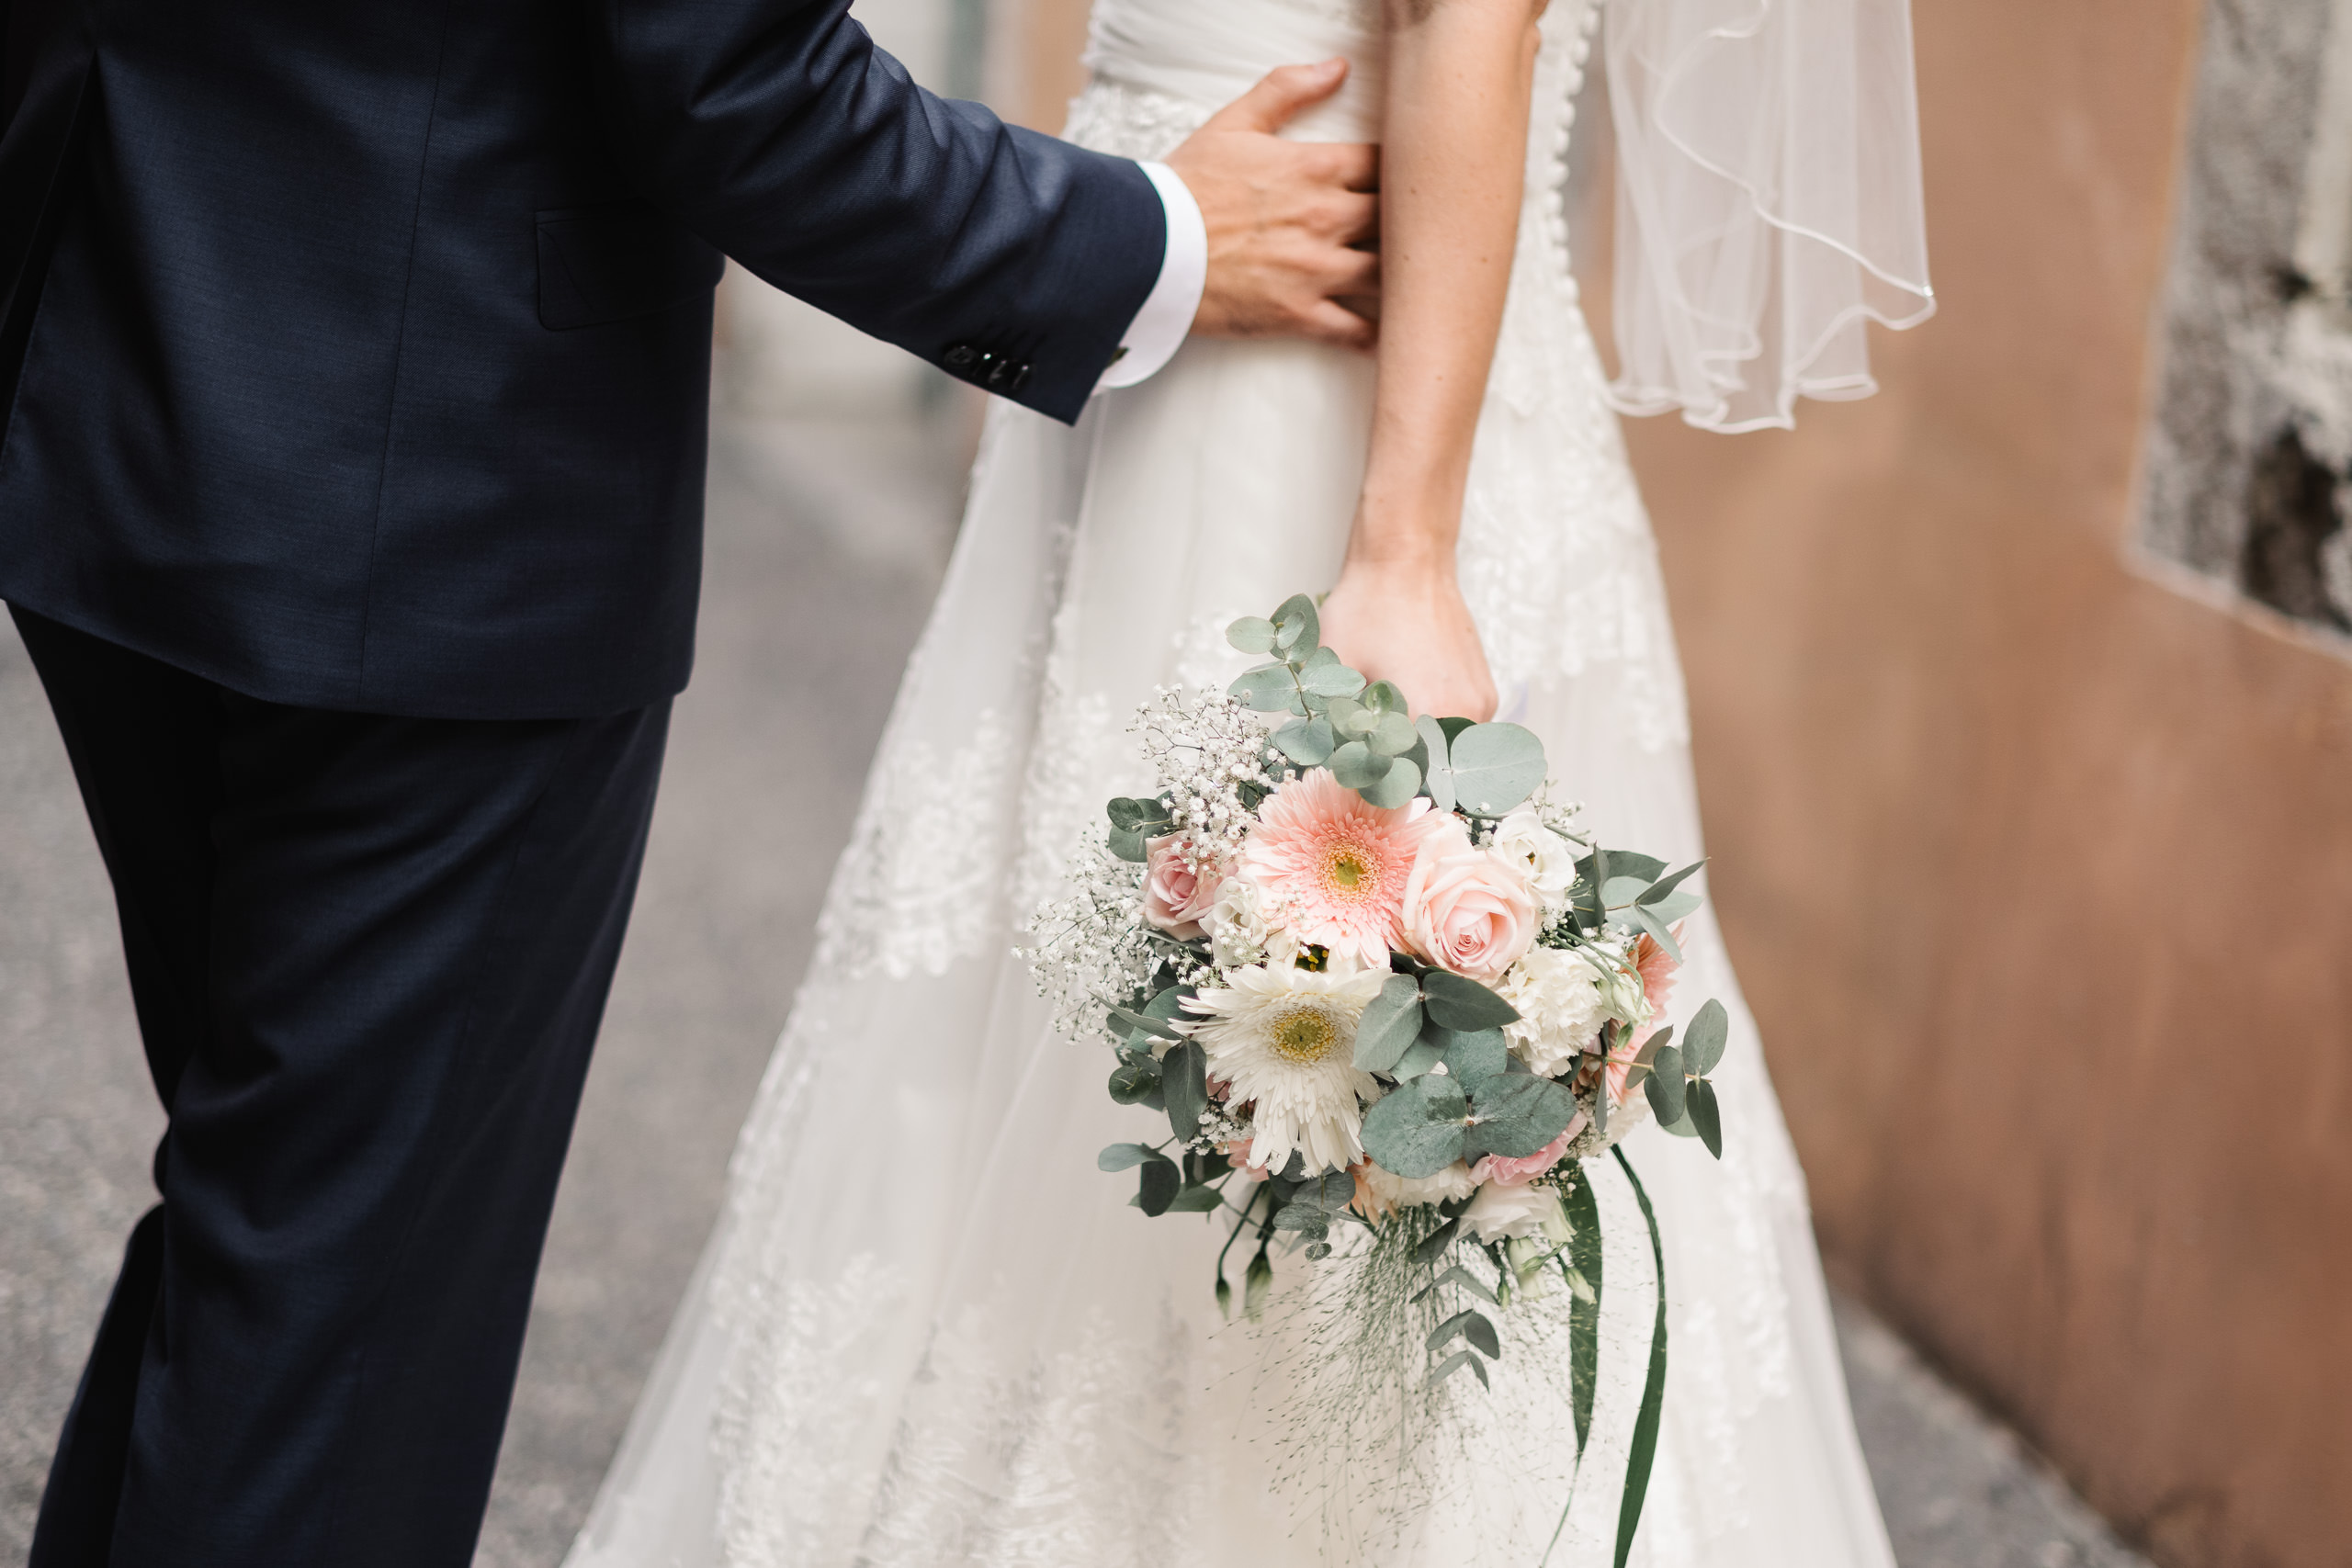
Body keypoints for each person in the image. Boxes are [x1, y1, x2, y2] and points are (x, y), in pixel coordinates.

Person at [0, 0, 1388, 1559]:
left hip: (111, 376)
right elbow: (736, 79)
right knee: (341, 1301)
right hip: (439, 489)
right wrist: (1151, 244)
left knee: (271, 1217)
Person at [565, 0, 1935, 1563]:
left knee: (1297, 1054)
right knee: (1055, 989)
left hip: (1322, 393)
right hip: (1176, 331)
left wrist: (1407, 552)